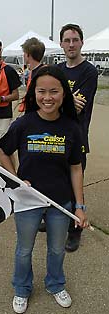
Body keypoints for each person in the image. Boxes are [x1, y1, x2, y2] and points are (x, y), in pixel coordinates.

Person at [0, 65, 89, 314]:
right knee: (24, 249)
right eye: (41, 91)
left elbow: (76, 168)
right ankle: (21, 288)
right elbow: (3, 151)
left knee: (57, 249)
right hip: (29, 201)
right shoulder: (24, 123)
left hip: (61, 202)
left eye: (54, 91)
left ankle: (55, 284)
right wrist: (15, 180)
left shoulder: (72, 127)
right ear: (33, 93)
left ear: (63, 95)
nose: (47, 97)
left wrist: (79, 206)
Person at [58, 23, 98, 252]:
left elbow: (78, 106)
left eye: (75, 40)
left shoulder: (89, 72)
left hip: (77, 137)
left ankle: (75, 230)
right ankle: (58, 217)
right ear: (62, 44)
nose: (71, 44)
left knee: (75, 184)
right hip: (56, 136)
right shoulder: (59, 70)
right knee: (56, 180)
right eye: (67, 40)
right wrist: (63, 101)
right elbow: (48, 100)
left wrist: (58, 101)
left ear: (81, 42)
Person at [19, 37, 45, 112]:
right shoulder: (33, 72)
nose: (23, 56)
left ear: (28, 55)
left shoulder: (43, 74)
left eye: (24, 53)